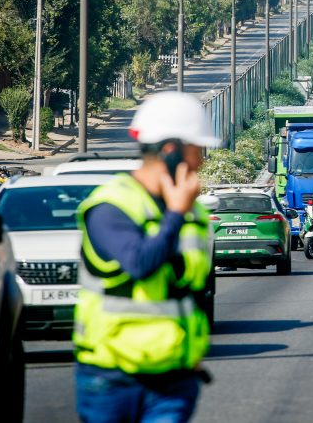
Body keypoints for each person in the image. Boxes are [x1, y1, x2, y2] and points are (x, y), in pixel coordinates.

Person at [73, 92, 220, 423]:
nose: (200, 161)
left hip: (174, 378)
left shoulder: (191, 213)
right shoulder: (111, 207)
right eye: (197, 150)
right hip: (112, 376)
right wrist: (175, 214)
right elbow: (139, 263)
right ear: (171, 151)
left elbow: (190, 291)